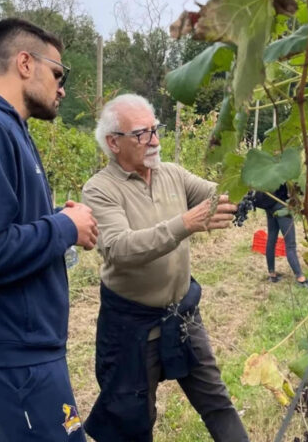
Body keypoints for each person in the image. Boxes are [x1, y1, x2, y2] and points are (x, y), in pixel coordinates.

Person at [82, 94, 248, 442]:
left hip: (182, 316)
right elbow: (119, 248)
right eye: (142, 134)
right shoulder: (100, 189)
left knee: (216, 401)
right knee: (133, 420)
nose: (155, 140)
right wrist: (184, 223)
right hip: (131, 327)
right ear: (114, 142)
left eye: (155, 130)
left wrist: (261, 181)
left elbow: (221, 195)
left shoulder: (172, 174)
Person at [0, 17, 98, 442]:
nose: (62, 86)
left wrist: (61, 221)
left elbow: (15, 223)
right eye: (57, 73)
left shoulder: (15, 129)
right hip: (22, 360)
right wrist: (63, 226)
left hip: (35, 351)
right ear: (23, 63)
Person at [253, 185, 308, 290]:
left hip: (269, 205)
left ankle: (272, 274)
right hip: (281, 205)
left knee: (271, 239)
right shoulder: (285, 170)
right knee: (290, 244)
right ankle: (301, 278)